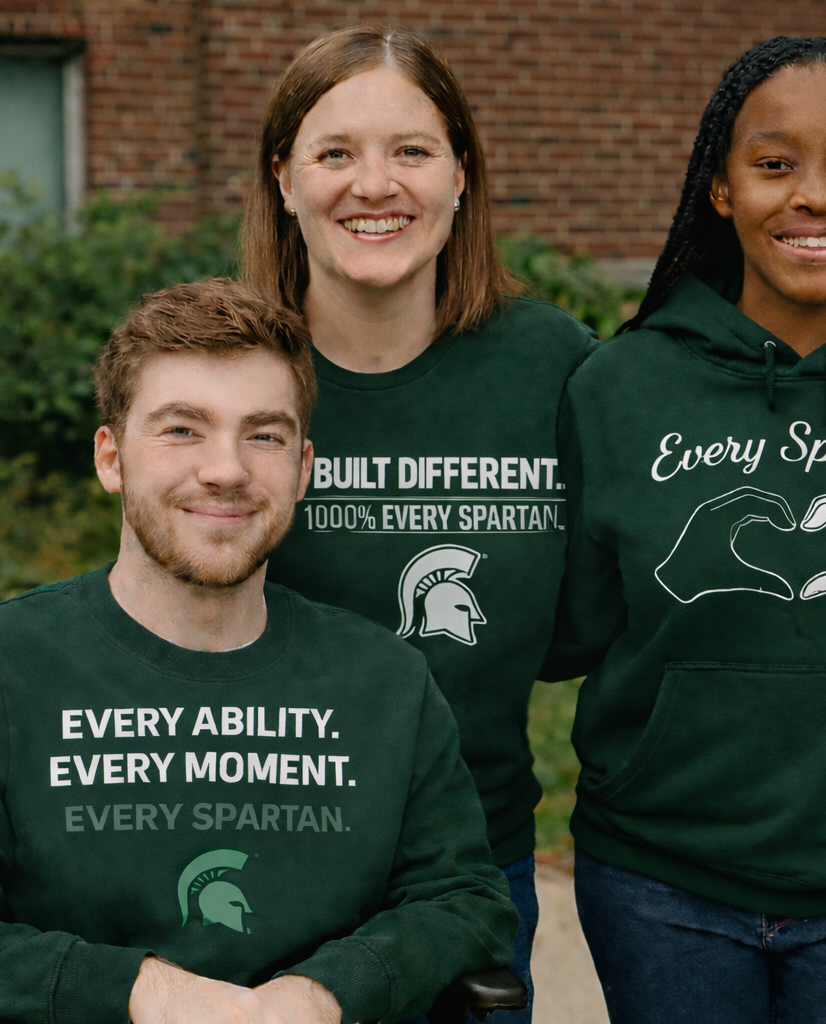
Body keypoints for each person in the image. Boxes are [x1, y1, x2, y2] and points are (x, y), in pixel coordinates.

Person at [542, 36, 826, 1024]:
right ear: (720, 190)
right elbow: (574, 625)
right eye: (774, 162)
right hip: (658, 879)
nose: (816, 195)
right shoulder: (619, 386)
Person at [0, 280, 517, 1024]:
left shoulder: (382, 679)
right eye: (181, 430)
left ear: (301, 469)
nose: (226, 470)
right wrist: (147, 994)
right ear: (111, 458)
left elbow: (465, 901)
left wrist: (320, 996)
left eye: (263, 435)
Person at [246, 28, 595, 1022]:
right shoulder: (228, 366)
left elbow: (583, 618)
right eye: (335, 152)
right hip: (256, 865)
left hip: (472, 865)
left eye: (410, 151)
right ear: (284, 180)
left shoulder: (554, 365)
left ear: (459, 176)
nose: (375, 184)